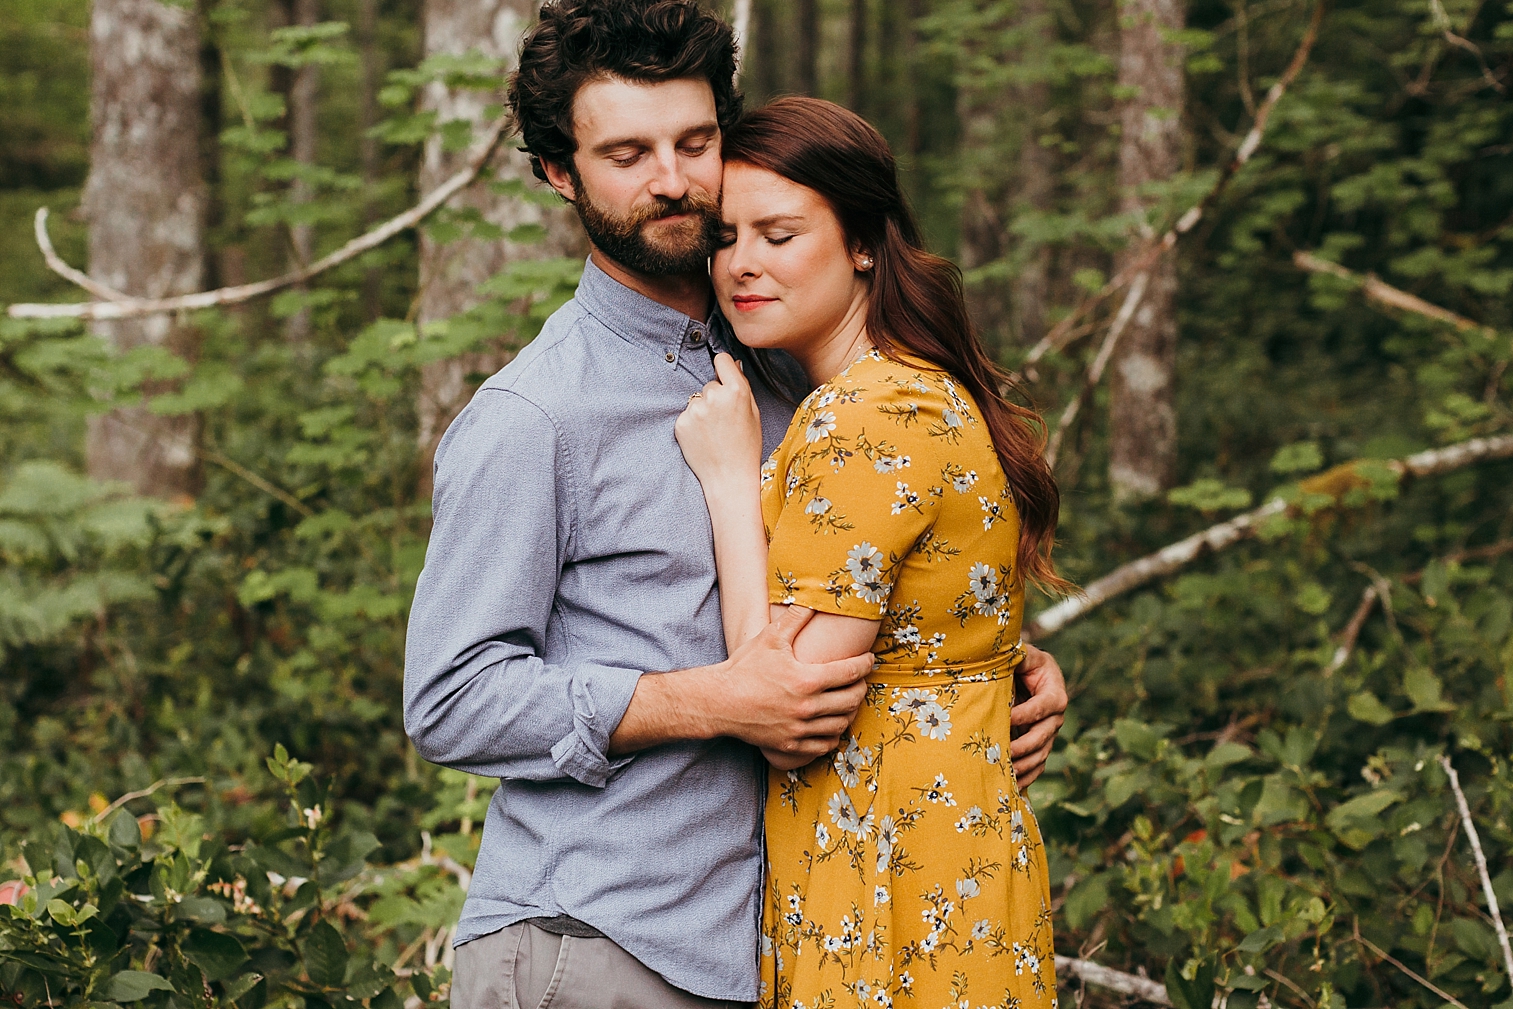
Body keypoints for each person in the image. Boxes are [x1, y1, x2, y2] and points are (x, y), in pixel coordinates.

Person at [403, 2, 1069, 1006]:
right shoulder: (537, 414)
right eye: (626, 152)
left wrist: (994, 667)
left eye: (694, 140)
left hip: (780, 939)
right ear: (558, 170)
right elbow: (450, 697)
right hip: (596, 938)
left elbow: (862, 579)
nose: (672, 179)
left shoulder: (787, 363)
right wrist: (703, 699)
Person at [674, 97, 1069, 1008]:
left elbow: (786, 704)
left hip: (892, 871)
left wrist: (732, 483)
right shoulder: (912, 389)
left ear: (862, 243)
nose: (742, 265)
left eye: (779, 234)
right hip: (946, 854)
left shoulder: (868, 416)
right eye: (726, 237)